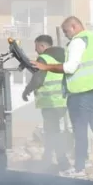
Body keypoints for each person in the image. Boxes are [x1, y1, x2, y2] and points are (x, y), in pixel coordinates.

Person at [31, 16, 93, 180]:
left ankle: (79, 169)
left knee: (80, 131)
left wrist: (45, 67)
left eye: (66, 31)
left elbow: (70, 67)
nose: (66, 35)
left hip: (81, 93)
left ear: (74, 26)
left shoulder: (78, 41)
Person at [21, 34, 71, 171]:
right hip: (62, 100)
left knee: (52, 132)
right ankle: (48, 157)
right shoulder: (64, 55)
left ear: (42, 46)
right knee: (52, 131)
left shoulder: (44, 59)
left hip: (50, 101)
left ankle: (62, 161)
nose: (36, 50)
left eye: (36, 46)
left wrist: (27, 90)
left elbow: (38, 79)